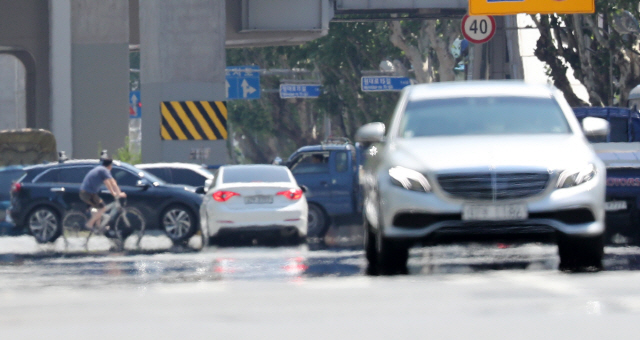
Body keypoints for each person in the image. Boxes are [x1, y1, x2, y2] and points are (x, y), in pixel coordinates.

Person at [79, 158, 126, 230]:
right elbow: (111, 183)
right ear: (110, 165)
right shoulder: (104, 170)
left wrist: (115, 192)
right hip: (88, 193)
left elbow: (110, 182)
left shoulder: (100, 169)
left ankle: (98, 227)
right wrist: (117, 193)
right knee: (103, 208)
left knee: (99, 208)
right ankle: (89, 224)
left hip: (85, 192)